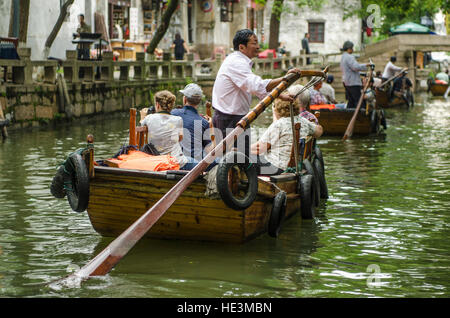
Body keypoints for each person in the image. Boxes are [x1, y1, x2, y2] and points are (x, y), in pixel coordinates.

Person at [212, 29, 301, 157]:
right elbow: (256, 85)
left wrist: (281, 95)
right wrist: (284, 79)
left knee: (242, 158)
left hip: (237, 117)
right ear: (242, 47)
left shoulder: (240, 61)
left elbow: (258, 90)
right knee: (233, 160)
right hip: (229, 119)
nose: (258, 47)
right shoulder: (236, 62)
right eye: (254, 43)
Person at [251, 98, 323, 175]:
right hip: (297, 166)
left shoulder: (279, 125)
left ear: (278, 109)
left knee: (243, 157)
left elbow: (259, 149)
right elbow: (319, 131)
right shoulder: (303, 121)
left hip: (278, 168)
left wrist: (242, 150)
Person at [140, 90, 198, 171]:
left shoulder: (149, 118)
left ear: (157, 104)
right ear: (171, 106)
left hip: (157, 162)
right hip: (177, 162)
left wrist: (142, 116)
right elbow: (180, 138)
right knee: (198, 164)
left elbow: (142, 124)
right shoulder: (178, 119)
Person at [171, 83, 213, 162]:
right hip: (195, 163)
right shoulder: (204, 122)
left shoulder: (173, 113)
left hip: (175, 159)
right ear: (199, 101)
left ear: (185, 99)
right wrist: (211, 128)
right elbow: (209, 150)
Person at [340, 40, 371, 109]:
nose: (353, 50)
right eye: (352, 48)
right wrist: (367, 65)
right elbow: (355, 67)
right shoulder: (349, 57)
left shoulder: (343, 57)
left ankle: (348, 114)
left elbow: (350, 69)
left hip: (347, 82)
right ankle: (361, 116)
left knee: (351, 101)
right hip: (353, 83)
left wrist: (363, 73)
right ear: (349, 49)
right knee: (359, 101)